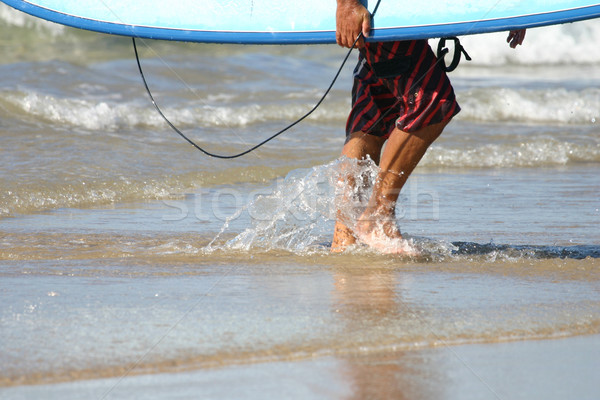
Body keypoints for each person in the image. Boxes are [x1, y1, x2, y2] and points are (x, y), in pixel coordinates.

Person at [332, 0, 526, 253]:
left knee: (374, 113)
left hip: (391, 13)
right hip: (387, 9)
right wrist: (348, 5)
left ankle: (344, 235)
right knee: (433, 104)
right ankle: (377, 217)